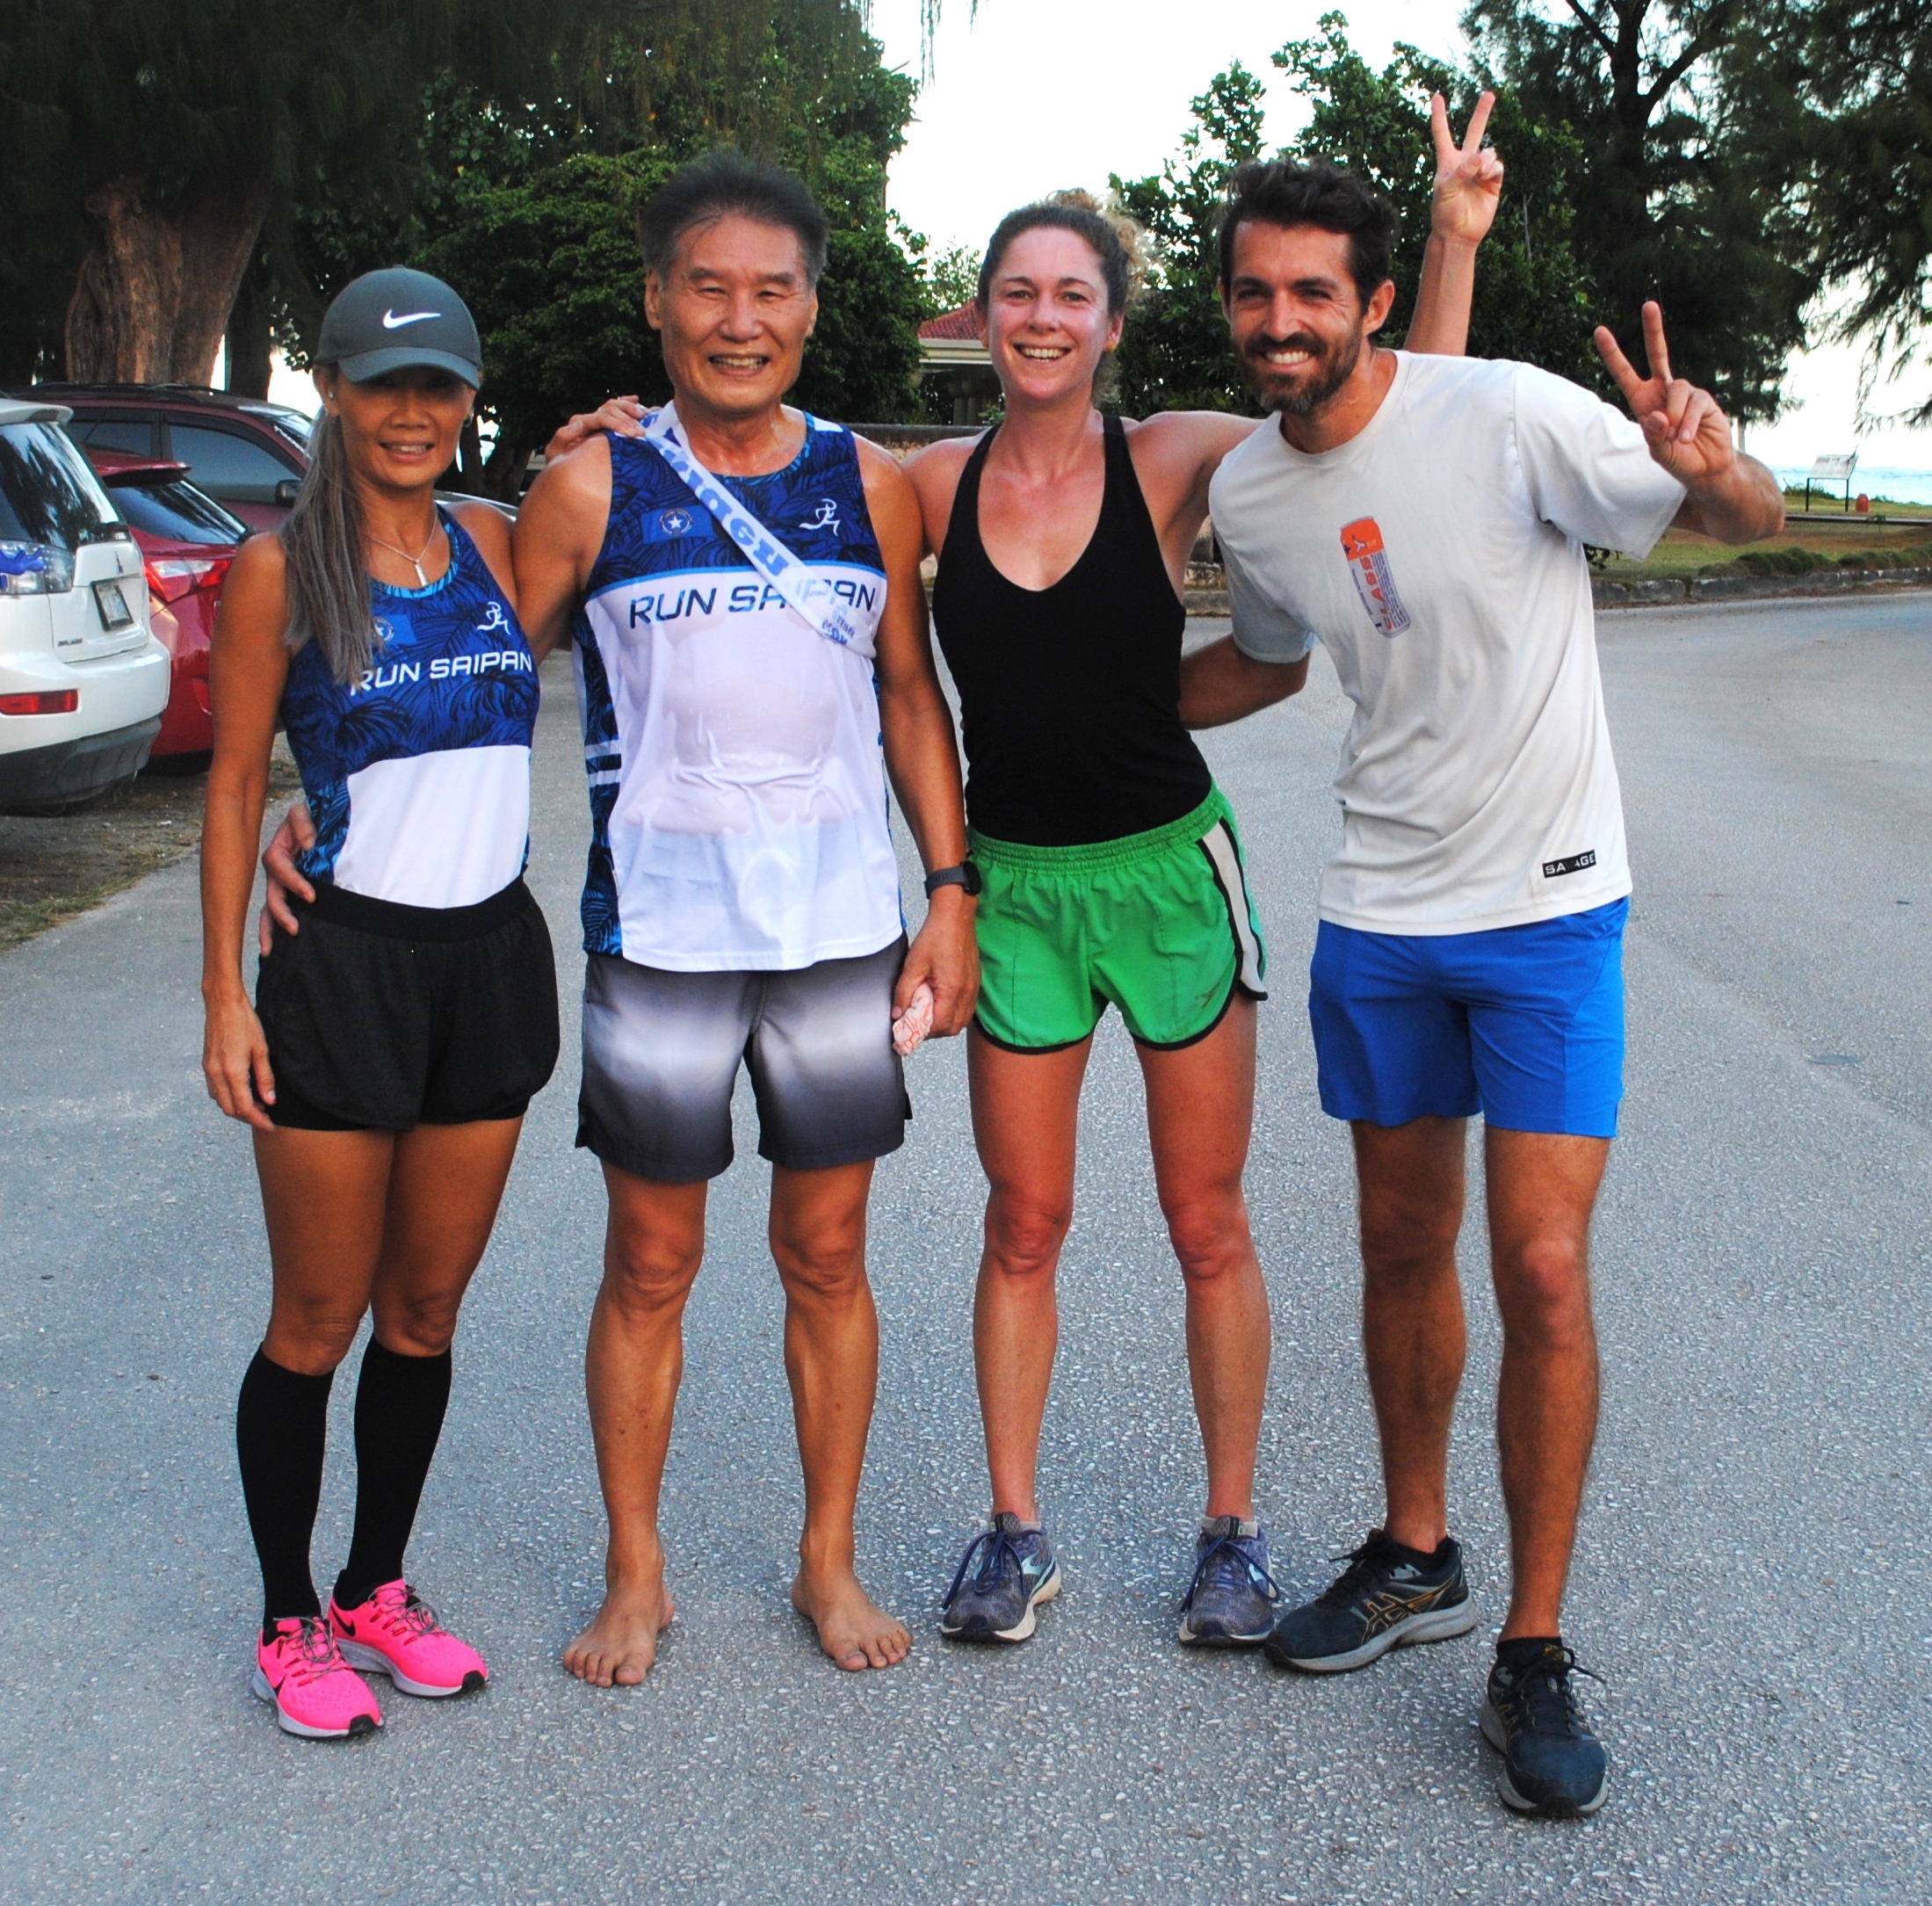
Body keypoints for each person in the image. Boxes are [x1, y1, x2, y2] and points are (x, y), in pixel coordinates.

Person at [271, 150, 979, 1684]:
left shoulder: (872, 480)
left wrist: (950, 890)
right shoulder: (590, 485)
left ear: (810, 304)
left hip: (841, 931)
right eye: (707, 287)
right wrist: (311, 798)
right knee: (650, 1264)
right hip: (657, 931)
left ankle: (825, 1557)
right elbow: (457, 666)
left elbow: (911, 694)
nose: (741, 319)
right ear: (657, 301)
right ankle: (636, 1573)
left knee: (829, 1255)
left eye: (771, 289)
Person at [1182, 159, 1784, 1815]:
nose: (1282, 318)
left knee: (1541, 1263)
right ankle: (1416, 1548)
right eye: (1256, 291)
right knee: (1395, 1244)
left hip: (1548, 910)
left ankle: (1531, 1645)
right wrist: (1111, 713)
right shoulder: (1250, 491)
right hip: (1381, 911)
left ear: (1374, 300)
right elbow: (1276, 654)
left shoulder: (1511, 412)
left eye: (1314, 291)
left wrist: (1713, 461)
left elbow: (1747, 527)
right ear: (1230, 305)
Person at [896, 98, 1502, 1649]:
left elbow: (1384, 409)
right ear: (982, 315)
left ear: (1111, 320)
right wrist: (609, 430)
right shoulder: (919, 482)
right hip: (1015, 883)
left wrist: (1449, 243)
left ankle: (1230, 1534)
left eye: (1072, 294)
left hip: (1170, 874)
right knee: (1022, 1223)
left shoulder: (1175, 458)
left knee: (1205, 1218)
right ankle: (1011, 1529)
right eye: (1016, 292)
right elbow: (737, 442)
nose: (1041, 317)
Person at [202, 268, 560, 1740]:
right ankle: (288, 1616)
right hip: (338, 968)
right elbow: (233, 788)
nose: (412, 412)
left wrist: (608, 416)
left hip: (486, 964)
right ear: (334, 399)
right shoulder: (283, 571)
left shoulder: (494, 540)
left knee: (424, 1308)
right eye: (380, 386)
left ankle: (375, 1585)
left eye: (440, 388)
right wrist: (226, 993)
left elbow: (635, 478)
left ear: (471, 403)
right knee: (319, 1312)